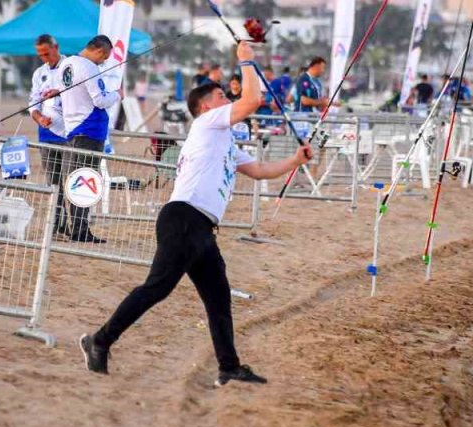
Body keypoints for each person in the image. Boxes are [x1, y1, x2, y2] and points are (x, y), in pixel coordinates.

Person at [79, 40, 316, 387]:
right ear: (206, 107)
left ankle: (229, 366)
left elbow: (260, 170)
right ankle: (99, 341)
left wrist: (295, 160)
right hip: (183, 218)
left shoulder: (225, 141)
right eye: (221, 96)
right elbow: (252, 101)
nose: (227, 100)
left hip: (202, 227)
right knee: (157, 288)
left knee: (219, 298)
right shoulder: (207, 123)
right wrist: (247, 61)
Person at [51, 35, 120, 244]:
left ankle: (76, 227)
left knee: (76, 179)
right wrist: (117, 94)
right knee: (85, 181)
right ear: (99, 51)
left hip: (73, 129)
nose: (103, 62)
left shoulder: (65, 64)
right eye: (104, 57)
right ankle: (80, 230)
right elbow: (100, 100)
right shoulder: (89, 67)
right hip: (89, 130)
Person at [30, 34, 70, 236]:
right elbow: (33, 103)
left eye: (47, 53)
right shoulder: (39, 73)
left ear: (56, 47)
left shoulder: (70, 67)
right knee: (53, 182)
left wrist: (59, 91)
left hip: (70, 134)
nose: (44, 57)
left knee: (70, 181)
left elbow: (79, 93)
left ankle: (76, 224)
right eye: (40, 54)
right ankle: (57, 224)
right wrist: (39, 118)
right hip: (46, 135)